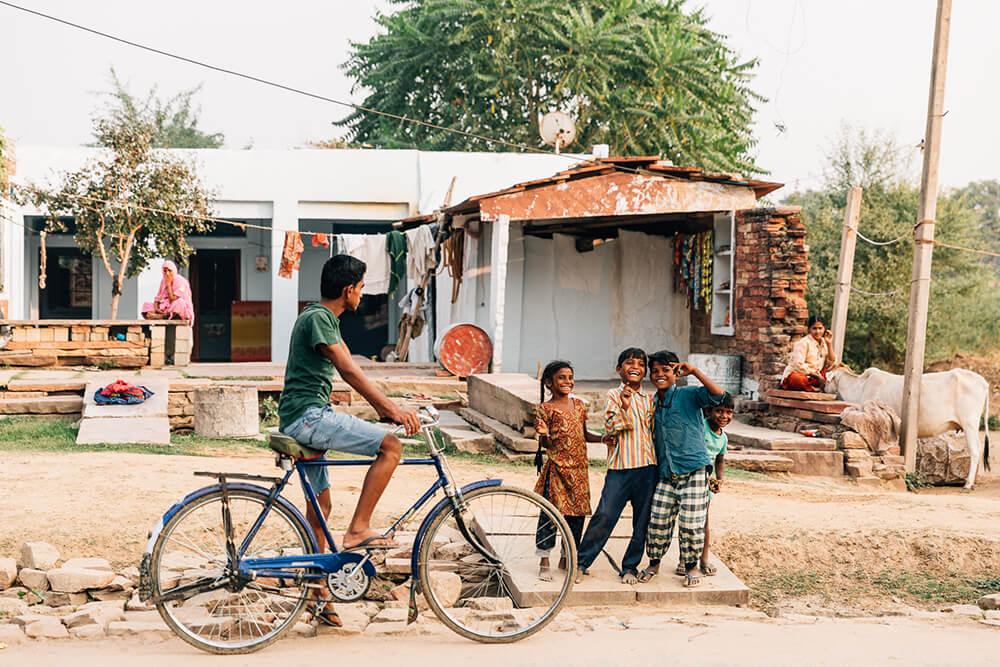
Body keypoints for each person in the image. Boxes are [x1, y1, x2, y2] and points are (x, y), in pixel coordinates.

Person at [278, 254, 420, 552]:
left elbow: (353, 366)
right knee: (392, 447)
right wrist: (390, 410)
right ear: (348, 290)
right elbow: (348, 369)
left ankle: (317, 587)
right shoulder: (318, 318)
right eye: (362, 287)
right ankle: (358, 529)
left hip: (303, 416)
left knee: (321, 508)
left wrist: (386, 405)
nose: (362, 293)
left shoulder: (322, 318)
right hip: (308, 418)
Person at [638, 351, 725, 588]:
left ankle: (691, 567)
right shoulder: (652, 402)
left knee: (691, 523)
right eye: (655, 371)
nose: (659, 375)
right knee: (658, 520)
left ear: (676, 373)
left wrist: (694, 371)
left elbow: (718, 395)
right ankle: (654, 563)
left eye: (665, 370)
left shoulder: (689, 395)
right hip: (666, 472)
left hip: (695, 469)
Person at [575, 348, 659, 585]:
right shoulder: (613, 394)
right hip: (621, 468)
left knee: (642, 521)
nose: (635, 367)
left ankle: (630, 567)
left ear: (645, 371)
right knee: (604, 514)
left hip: (647, 468)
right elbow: (612, 428)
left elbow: (653, 433)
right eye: (629, 362)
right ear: (619, 369)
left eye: (641, 364)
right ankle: (581, 562)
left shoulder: (649, 399)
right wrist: (624, 405)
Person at [533, 360, 609, 582]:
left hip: (578, 471)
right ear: (549, 382)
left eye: (570, 377)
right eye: (561, 378)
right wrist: (543, 433)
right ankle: (544, 559)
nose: (567, 381)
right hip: (557, 469)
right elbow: (547, 445)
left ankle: (568, 556)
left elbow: (584, 434)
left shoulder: (579, 406)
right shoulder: (545, 409)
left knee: (576, 515)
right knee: (550, 515)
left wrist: (604, 439)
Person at [683, 393, 733, 578]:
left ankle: (704, 558)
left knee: (704, 522)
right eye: (719, 411)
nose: (724, 416)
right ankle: (685, 558)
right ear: (709, 410)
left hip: (706, 483)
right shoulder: (699, 427)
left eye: (729, 412)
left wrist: (719, 479)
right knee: (686, 521)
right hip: (688, 480)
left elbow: (720, 460)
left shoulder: (723, 438)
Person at [781, 315, 836, 392]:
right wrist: (816, 376)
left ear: (824, 328)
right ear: (809, 329)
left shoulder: (824, 342)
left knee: (834, 374)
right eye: (814, 328)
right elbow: (798, 364)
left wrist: (829, 344)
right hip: (799, 375)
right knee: (798, 379)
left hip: (814, 378)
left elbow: (831, 362)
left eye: (820, 328)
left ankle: (812, 386)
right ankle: (812, 389)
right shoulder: (803, 343)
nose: (817, 332)